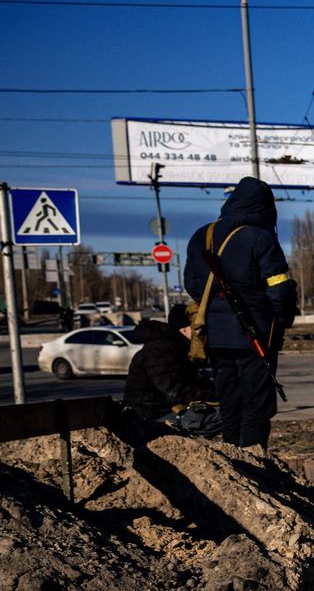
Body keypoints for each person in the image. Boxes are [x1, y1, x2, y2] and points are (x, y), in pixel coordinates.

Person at [183, 176, 297, 450]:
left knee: (229, 398)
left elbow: (192, 284)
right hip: (254, 334)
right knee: (256, 403)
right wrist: (280, 320)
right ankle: (254, 460)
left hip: (215, 336)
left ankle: (232, 457)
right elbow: (280, 289)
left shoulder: (203, 235)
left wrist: (217, 309)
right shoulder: (260, 238)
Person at [122, 304, 211, 422]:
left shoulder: (177, 345)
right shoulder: (161, 349)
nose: (200, 333)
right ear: (183, 329)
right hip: (150, 415)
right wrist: (212, 396)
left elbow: (192, 382)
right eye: (195, 328)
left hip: (161, 409)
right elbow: (174, 390)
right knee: (217, 418)